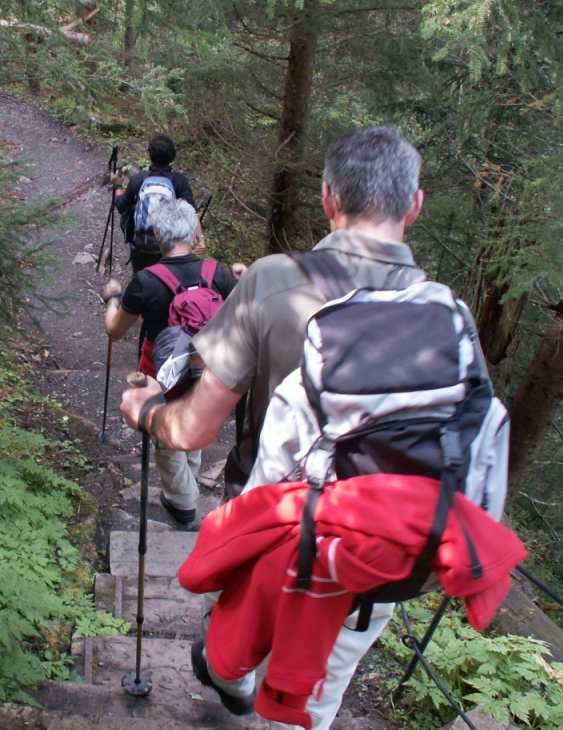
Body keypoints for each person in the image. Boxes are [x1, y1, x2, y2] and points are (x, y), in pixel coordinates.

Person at [119, 126, 434, 728]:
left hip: (272, 518)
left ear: (326, 198)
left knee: (232, 637)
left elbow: (192, 431)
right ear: (414, 206)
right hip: (380, 553)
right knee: (318, 693)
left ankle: (232, 680)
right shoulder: (444, 314)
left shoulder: (270, 281)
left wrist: (148, 411)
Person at [102, 199, 237, 525]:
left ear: (157, 235)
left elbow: (114, 331)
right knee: (195, 413)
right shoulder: (217, 273)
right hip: (206, 368)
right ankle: (188, 481)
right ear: (192, 233)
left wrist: (112, 299)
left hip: (160, 372)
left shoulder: (146, 281)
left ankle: (182, 502)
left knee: (165, 430)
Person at [109, 134, 203, 271]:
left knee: (142, 278)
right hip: (169, 243)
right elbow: (191, 212)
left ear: (150, 154)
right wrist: (201, 239)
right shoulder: (179, 181)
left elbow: (121, 206)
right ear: (172, 156)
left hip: (141, 245)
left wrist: (117, 186)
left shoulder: (138, 179)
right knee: (168, 278)